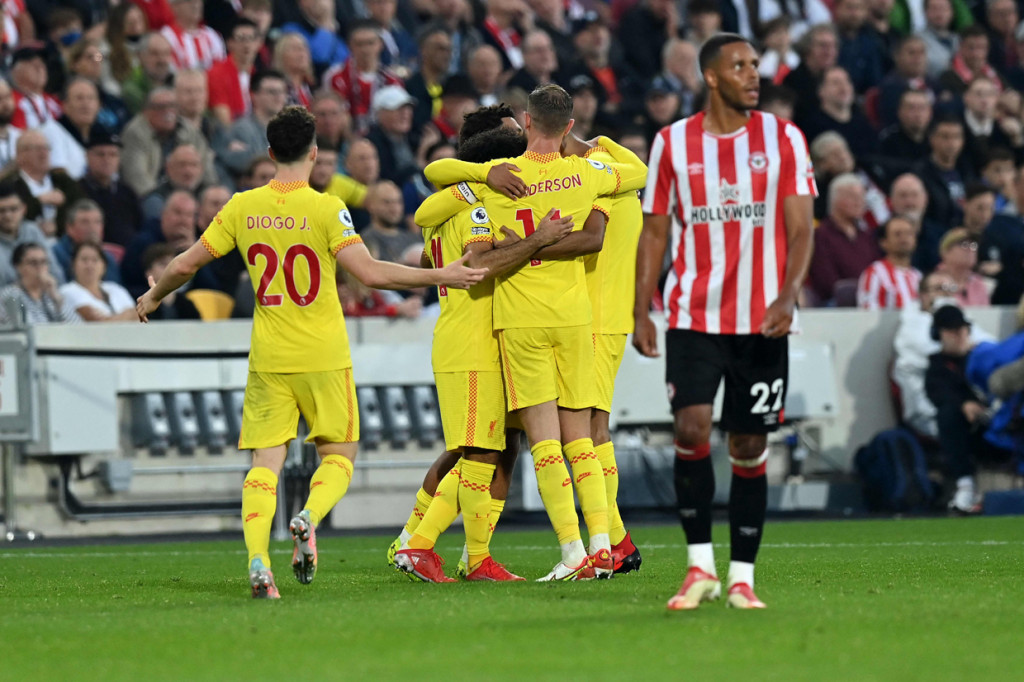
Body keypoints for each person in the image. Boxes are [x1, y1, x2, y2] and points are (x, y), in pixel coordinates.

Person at [134, 105, 486, 599]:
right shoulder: (325, 208)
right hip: (323, 354)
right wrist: (440, 275)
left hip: (269, 357)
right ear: (315, 153)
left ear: (271, 152)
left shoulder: (241, 205)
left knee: (264, 463)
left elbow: (187, 262)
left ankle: (259, 560)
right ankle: (310, 516)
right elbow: (371, 273)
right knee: (340, 454)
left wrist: (151, 297)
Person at [409, 85, 648, 581]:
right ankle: (603, 546)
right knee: (567, 439)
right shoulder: (584, 174)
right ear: (566, 126)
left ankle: (572, 551)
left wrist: (487, 182)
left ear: (527, 120)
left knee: (524, 446)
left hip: (517, 324)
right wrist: (585, 147)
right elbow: (633, 178)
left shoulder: (486, 191)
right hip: (573, 319)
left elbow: (433, 204)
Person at [633, 34, 815, 610]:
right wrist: (641, 308)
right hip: (693, 314)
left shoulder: (784, 139)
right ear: (712, 77)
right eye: (740, 66)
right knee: (689, 429)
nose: (753, 75)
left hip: (762, 320)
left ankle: (742, 576)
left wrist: (788, 294)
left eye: (755, 65)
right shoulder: (671, 144)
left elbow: (802, 227)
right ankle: (698, 568)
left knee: (747, 441)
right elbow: (655, 233)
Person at [892, 271, 994, 439]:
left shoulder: (959, 319)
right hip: (928, 407)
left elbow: (990, 345)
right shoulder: (911, 325)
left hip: (963, 396)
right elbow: (932, 349)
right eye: (940, 289)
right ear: (923, 295)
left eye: (950, 289)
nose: (946, 294)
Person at [925, 305, 995, 513]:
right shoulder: (937, 366)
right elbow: (937, 393)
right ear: (939, 333)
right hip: (971, 432)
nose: (959, 335)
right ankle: (965, 484)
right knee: (947, 415)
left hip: (1000, 419)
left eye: (962, 329)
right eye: (952, 330)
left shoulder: (982, 355)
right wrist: (963, 404)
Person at [0, 182, 62, 286]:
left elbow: (56, 274)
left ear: (23, 209)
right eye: (1, 211)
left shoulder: (33, 230)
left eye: (13, 209)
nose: (8, 215)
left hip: (43, 297)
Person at [0, 242, 79, 324]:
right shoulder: (10, 295)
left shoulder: (51, 296)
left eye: (44, 262)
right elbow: (25, 327)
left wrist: (56, 298)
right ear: (18, 267)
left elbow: (77, 327)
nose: (40, 268)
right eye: (33, 263)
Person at [59, 241, 136, 321]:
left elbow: (139, 316)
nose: (89, 265)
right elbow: (97, 322)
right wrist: (128, 314)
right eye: (84, 260)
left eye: (95, 260)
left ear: (104, 266)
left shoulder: (116, 288)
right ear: (73, 265)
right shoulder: (67, 291)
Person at [857, 216, 922, 310]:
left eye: (909, 234)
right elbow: (868, 314)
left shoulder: (918, 276)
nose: (904, 238)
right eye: (897, 234)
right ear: (884, 242)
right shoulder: (874, 273)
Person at [52, 198, 120, 284]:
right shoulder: (55, 255)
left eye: (97, 222)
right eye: (85, 222)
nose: (92, 228)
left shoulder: (108, 258)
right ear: (69, 228)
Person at [139, 243, 200, 320]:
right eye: (163, 264)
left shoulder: (186, 303)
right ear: (149, 272)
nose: (169, 269)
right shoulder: (140, 302)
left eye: (171, 264)